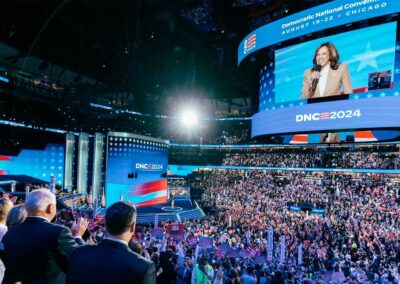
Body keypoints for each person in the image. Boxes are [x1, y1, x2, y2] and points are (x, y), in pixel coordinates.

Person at [2, 188, 87, 284]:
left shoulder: (10, 233)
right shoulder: (58, 232)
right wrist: (77, 237)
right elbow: (81, 261)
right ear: (50, 208)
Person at [66, 201, 156, 284]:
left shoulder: (79, 253)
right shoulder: (143, 267)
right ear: (133, 226)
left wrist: (77, 237)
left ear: (105, 223)